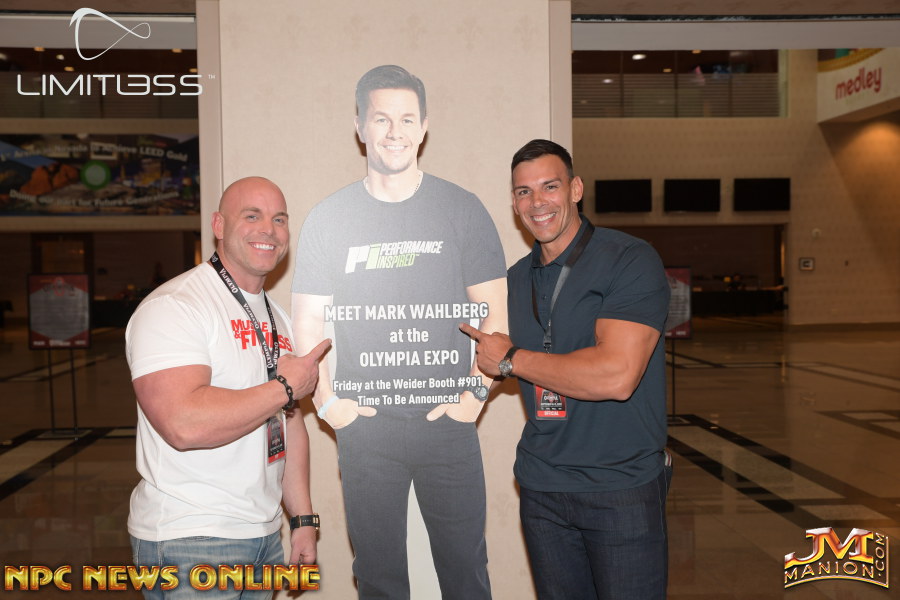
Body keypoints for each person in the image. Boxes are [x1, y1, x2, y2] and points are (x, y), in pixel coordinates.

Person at [291, 65, 506, 599]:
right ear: (360, 126)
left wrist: (473, 399)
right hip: (367, 433)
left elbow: (495, 320)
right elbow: (307, 326)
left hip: (449, 426)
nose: (394, 131)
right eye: (381, 118)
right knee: (379, 577)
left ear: (424, 127)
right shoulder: (329, 218)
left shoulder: (463, 210)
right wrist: (329, 405)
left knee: (466, 572)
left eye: (407, 119)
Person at [460, 139, 672, 600]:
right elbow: (480, 358)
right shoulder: (515, 279)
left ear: (576, 189)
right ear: (514, 202)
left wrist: (512, 360)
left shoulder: (629, 260)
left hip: (620, 489)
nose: (537, 202)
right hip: (542, 490)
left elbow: (617, 376)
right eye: (524, 192)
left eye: (549, 186)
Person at [125, 176, 331, 599]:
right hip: (190, 537)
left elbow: (289, 424)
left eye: (279, 219)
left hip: (264, 536)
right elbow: (182, 424)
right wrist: (284, 388)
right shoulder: (175, 306)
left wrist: (302, 521)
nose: (268, 229)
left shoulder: (276, 317)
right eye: (251, 216)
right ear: (219, 225)